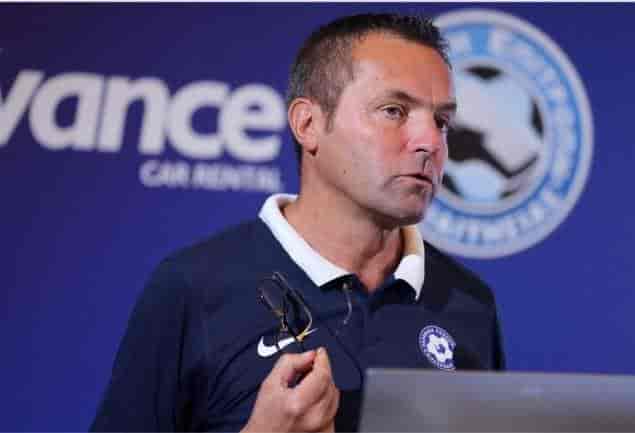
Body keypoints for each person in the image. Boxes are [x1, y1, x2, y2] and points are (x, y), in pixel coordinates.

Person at [91, 12, 505, 433]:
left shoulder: (469, 302)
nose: (430, 141)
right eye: (394, 111)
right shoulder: (193, 289)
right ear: (308, 124)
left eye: (441, 121)